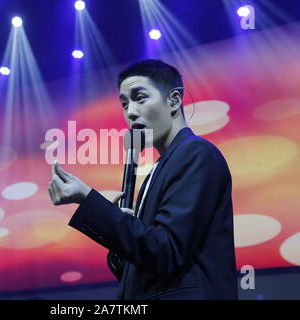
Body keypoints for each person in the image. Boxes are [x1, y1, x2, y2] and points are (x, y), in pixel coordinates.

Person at [48, 59, 238, 300]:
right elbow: (150, 262)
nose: (130, 112)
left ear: (174, 100)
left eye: (140, 98)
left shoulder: (195, 153)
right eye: (125, 104)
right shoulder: (158, 168)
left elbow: (167, 252)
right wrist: (120, 230)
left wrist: (88, 199)